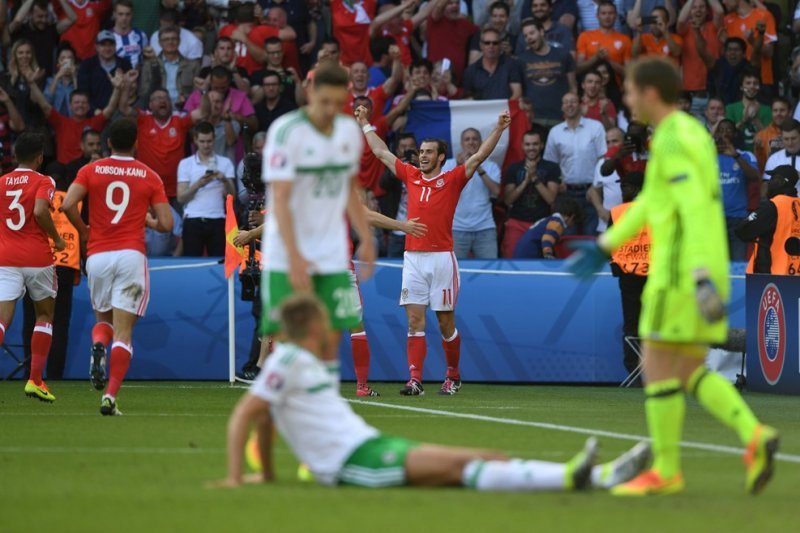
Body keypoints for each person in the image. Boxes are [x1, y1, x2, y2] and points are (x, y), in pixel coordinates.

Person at [568, 57, 779, 496]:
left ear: (649, 93)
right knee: (683, 370)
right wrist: (607, 243)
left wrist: (700, 276)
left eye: (628, 91)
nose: (625, 100)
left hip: (681, 273)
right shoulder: (683, 134)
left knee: (660, 369)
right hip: (693, 270)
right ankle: (753, 435)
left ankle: (666, 471)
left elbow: (693, 209)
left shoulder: (675, 139)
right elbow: (650, 204)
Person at [211, 293, 651, 490]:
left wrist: (265, 473)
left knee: (482, 458)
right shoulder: (288, 361)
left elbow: (264, 421)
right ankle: (589, 478)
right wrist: (236, 477)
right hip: (356, 464)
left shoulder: (303, 364)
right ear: (308, 328)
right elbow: (246, 416)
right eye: (325, 324)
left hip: (368, 447)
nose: (333, 330)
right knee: (465, 466)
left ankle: (586, 476)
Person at [358, 103, 511, 396]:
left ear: (441, 157)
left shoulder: (451, 180)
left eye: (429, 152)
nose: (423, 156)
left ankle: (453, 375)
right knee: (415, 320)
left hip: (442, 258)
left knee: (444, 323)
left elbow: (479, 156)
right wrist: (365, 122)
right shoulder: (411, 176)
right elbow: (380, 152)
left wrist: (499, 128)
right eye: (421, 152)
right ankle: (415, 380)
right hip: (413, 258)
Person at [259, 64, 376, 386]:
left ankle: (322, 416)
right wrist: (295, 255)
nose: (331, 111)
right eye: (325, 102)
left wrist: (366, 236)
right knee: (287, 342)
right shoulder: (286, 131)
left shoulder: (348, 132)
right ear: (310, 92)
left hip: (331, 253)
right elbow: (279, 200)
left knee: (329, 341)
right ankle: (266, 421)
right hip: (287, 252)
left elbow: (350, 188)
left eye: (338, 104)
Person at [61, 118, 174, 416]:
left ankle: (98, 343)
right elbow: (167, 224)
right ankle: (110, 396)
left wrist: (85, 232)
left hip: (97, 256)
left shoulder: (90, 169)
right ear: (136, 144)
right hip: (130, 255)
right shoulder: (148, 175)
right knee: (124, 334)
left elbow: (67, 204)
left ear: (108, 142)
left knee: (104, 322)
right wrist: (147, 220)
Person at [0, 133, 65, 402]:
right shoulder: (44, 180)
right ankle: (35, 380)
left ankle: (36, 380)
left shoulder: (1, 183)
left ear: (15, 156)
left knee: (2, 321)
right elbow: (40, 211)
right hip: (37, 258)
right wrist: (58, 238)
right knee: (45, 316)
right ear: (39, 157)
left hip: (5, 259)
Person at [544, 92, 607, 235]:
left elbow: (602, 158)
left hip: (592, 192)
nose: (569, 105)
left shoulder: (595, 127)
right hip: (566, 193)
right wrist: (558, 181)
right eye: (566, 102)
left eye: (573, 101)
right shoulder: (555, 132)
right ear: (562, 107)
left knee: (591, 236)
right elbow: (551, 164)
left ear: (580, 104)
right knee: (567, 238)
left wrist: (596, 186)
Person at [28, 71, 123, 165]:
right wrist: (32, 83)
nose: (80, 105)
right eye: (77, 102)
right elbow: (44, 106)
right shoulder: (61, 122)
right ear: (70, 106)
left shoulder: (94, 122)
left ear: (89, 106)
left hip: (87, 168)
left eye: (83, 102)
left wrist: (117, 89)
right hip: (64, 171)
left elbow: (110, 109)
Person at [609, 171, 649, 376]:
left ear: (637, 189)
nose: (621, 190)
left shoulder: (617, 212)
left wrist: (616, 266)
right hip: (655, 275)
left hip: (629, 276)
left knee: (632, 326)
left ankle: (633, 372)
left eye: (625, 186)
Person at [177, 122, 237, 257]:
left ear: (214, 139)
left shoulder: (225, 163)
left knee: (219, 263)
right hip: (193, 219)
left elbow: (231, 197)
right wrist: (198, 184)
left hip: (218, 219)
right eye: (202, 141)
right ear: (195, 140)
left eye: (209, 141)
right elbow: (181, 197)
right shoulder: (185, 164)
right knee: (191, 263)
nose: (206, 145)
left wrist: (224, 180)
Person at [442, 128, 502, 259]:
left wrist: (477, 166)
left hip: (485, 228)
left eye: (475, 139)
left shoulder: (491, 166)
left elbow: (496, 191)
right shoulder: (449, 164)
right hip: (456, 228)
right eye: (467, 139)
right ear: (462, 143)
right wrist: (459, 166)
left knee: (489, 273)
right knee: (454, 273)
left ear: (481, 143)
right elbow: (443, 192)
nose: (471, 142)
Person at [502, 129, 562, 257]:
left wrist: (534, 178)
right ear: (522, 146)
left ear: (541, 145)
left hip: (542, 223)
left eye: (535, 144)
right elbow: (508, 200)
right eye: (528, 144)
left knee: (539, 263)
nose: (531, 148)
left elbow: (551, 199)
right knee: (512, 261)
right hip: (516, 222)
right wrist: (525, 182)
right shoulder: (514, 168)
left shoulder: (552, 167)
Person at [735, 166, 800, 274]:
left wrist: (764, 200)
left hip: (771, 276)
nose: (768, 183)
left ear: (780, 182)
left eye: (772, 178)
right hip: (795, 274)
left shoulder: (773, 206)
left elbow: (742, 230)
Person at [517, 18, 576, 130]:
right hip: (534, 119)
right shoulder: (521, 59)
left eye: (532, 33)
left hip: (560, 117)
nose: (529, 37)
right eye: (525, 35)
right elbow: (520, 93)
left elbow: (573, 88)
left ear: (541, 32)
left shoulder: (563, 55)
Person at [715, 119, 758, 260]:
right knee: (716, 265)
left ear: (734, 134)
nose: (724, 133)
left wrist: (735, 156)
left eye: (728, 130)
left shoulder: (745, 155)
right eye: (721, 130)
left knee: (738, 264)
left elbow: (754, 176)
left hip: (738, 218)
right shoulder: (708, 156)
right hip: (714, 218)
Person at [677, 0, 723, 115]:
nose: (698, 10)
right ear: (689, 11)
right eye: (694, 7)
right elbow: (681, 20)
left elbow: (719, 11)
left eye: (702, 7)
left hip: (714, 90)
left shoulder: (714, 26)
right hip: (692, 93)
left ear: (707, 11)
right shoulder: (686, 29)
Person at [722, 0, 777, 97]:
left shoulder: (763, 15)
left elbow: (770, 52)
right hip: (735, 81)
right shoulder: (727, 20)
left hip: (761, 80)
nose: (723, 2)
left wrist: (752, 40)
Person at [8, 0, 76, 76]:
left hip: (46, 82)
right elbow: (17, 20)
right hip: (22, 80)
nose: (43, 20)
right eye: (40, 16)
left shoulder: (51, 30)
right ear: (30, 14)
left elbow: (73, 18)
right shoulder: (20, 30)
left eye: (46, 16)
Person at [139, 26, 201, 108]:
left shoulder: (192, 65)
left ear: (179, 41)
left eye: (173, 39)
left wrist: (186, 99)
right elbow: (144, 91)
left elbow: (197, 92)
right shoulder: (149, 65)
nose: (170, 42)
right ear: (160, 43)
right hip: (157, 111)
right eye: (166, 39)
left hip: (184, 110)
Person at [77, 30, 132, 113]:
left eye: (110, 45)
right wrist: (95, 110)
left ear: (115, 46)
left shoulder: (125, 64)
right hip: (93, 114)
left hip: (119, 114)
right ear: (97, 47)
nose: (107, 48)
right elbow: (83, 92)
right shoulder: (86, 65)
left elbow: (131, 91)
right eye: (103, 45)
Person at [461, 27, 522, 100]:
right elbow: (467, 100)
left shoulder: (511, 65)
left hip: (506, 111)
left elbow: (517, 93)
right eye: (487, 43)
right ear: (481, 46)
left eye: (495, 43)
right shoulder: (470, 71)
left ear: (500, 46)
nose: (491, 46)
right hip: (481, 111)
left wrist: (503, 112)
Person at [576, 1, 632, 78]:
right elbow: (578, 69)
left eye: (610, 13)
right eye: (603, 13)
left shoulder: (625, 40)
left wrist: (609, 60)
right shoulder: (584, 36)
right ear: (597, 16)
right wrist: (596, 58)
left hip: (616, 87)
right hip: (591, 86)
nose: (607, 17)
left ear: (616, 16)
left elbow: (629, 73)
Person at [512, 197, 582, 258]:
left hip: (521, 253)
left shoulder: (550, 219)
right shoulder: (557, 223)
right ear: (572, 217)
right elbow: (547, 239)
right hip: (530, 256)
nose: (572, 225)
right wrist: (548, 255)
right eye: (574, 222)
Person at [589, 127, 625, 233]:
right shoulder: (601, 164)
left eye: (615, 141)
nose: (611, 145)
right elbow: (594, 190)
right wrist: (600, 209)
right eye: (607, 142)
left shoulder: (634, 161)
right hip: (606, 225)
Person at [725, 72, 770, 152]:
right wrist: (743, 121)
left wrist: (756, 120)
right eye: (748, 83)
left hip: (760, 155)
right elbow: (727, 135)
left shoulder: (767, 109)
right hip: (737, 155)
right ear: (741, 87)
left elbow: (769, 137)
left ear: (759, 87)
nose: (752, 86)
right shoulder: (730, 108)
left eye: (755, 83)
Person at [709, 37, 756, 106]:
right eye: (729, 49)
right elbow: (703, 52)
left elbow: (757, 52)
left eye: (736, 50)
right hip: (721, 110)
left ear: (743, 54)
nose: (732, 52)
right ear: (725, 52)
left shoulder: (749, 68)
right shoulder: (719, 66)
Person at [754, 97, 792, 171]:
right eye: (775, 110)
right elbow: (760, 168)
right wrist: (759, 151)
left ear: (790, 112)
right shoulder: (761, 136)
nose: (778, 113)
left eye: (782, 110)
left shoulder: (798, 134)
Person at [763, 119, 800, 193]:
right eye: (786, 139)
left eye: (793, 138)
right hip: (780, 203)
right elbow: (766, 186)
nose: (790, 143)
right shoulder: (773, 159)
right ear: (781, 138)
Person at [110, 0, 149, 68]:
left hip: (140, 76)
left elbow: (146, 59)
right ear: (114, 14)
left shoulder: (141, 35)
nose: (124, 18)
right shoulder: (108, 37)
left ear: (132, 14)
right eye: (120, 14)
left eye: (127, 14)